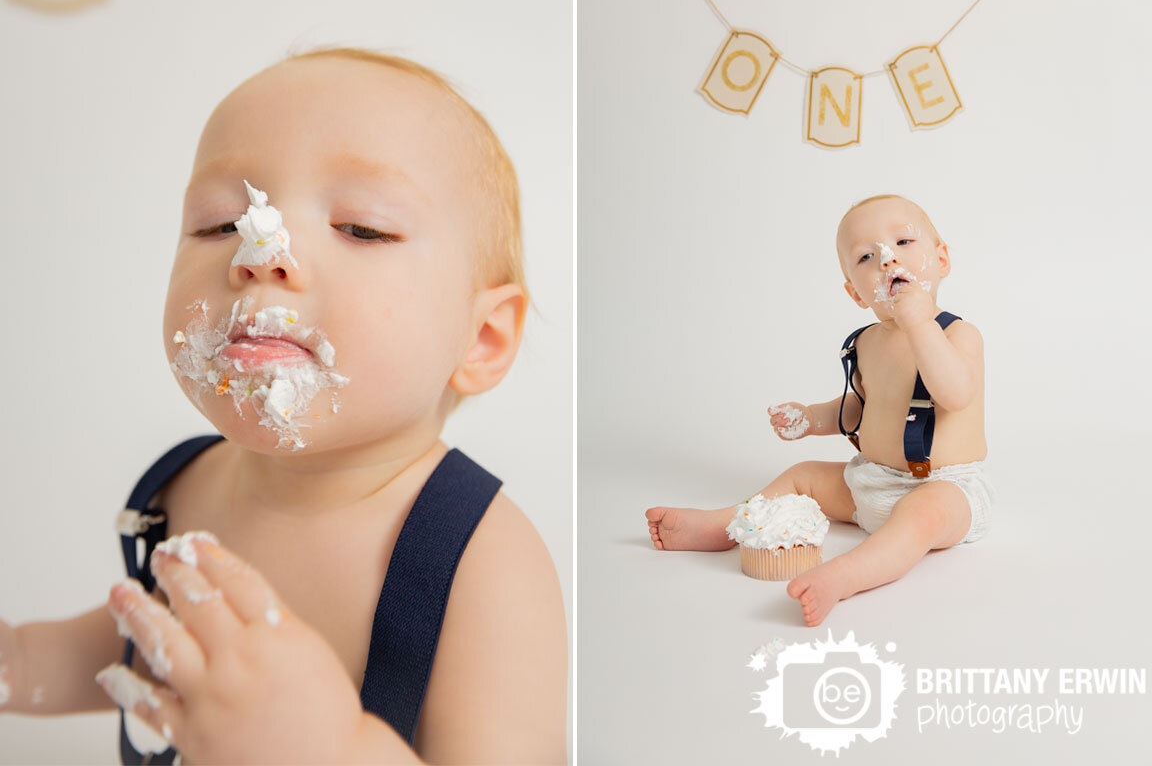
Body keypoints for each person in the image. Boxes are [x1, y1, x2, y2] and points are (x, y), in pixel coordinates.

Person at [0, 49, 567, 764]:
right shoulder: (183, 485)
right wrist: (20, 660)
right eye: (217, 223)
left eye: (362, 228)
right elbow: (152, 649)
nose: (262, 251)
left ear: (481, 339)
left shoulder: (485, 564)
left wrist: (331, 748)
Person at [645, 194, 992, 627]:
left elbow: (955, 394)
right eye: (867, 256)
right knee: (802, 475)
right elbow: (861, 408)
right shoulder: (866, 342)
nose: (888, 260)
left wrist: (919, 324)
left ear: (941, 260)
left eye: (904, 242)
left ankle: (848, 574)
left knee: (920, 517)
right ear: (855, 292)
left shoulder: (958, 334)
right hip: (872, 480)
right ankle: (727, 525)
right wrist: (811, 418)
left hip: (944, 489)